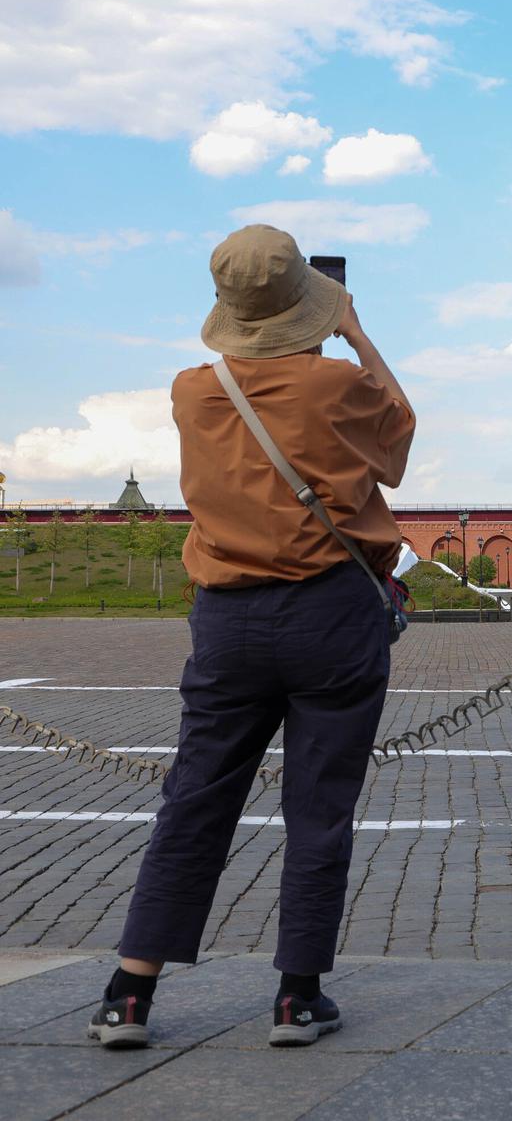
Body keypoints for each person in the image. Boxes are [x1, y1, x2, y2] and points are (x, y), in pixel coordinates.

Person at [88, 224, 415, 1049]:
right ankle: (296, 998)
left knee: (194, 800)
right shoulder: (336, 385)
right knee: (318, 807)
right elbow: (398, 436)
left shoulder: (191, 391)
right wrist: (352, 327)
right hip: (330, 613)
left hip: (227, 619)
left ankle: (129, 993)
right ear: (309, 302)